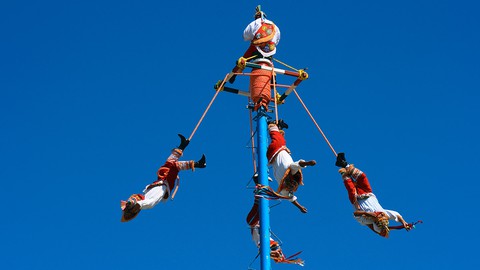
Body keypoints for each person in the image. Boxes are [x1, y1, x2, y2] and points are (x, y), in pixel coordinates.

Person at [120, 134, 206, 222]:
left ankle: (182, 146)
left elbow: (140, 201)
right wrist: (137, 204)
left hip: (161, 181)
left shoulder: (144, 196)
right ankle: (197, 163)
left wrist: (133, 203)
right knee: (173, 166)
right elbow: (147, 203)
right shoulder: (147, 203)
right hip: (166, 184)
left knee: (168, 164)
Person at [335, 153, 412, 237]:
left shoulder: (367, 220)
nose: (381, 214)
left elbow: (356, 213)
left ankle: (343, 169)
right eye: (383, 216)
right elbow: (397, 215)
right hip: (367, 192)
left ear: (376, 221)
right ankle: (345, 164)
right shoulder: (384, 213)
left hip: (356, 199)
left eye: (380, 217)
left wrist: (368, 214)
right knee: (362, 176)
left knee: (349, 185)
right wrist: (404, 223)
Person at [267, 120, 316, 213]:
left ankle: (272, 124)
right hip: (273, 155)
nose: (291, 185)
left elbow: (298, 164)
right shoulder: (287, 180)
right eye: (293, 185)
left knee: (279, 140)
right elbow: (291, 198)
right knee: (280, 139)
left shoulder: (289, 174)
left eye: (291, 186)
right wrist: (300, 207)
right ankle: (278, 127)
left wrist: (309, 163)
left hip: (277, 150)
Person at [246, 196, 304, 266]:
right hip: (261, 233)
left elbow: (263, 249)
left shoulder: (263, 244)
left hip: (259, 232)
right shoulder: (268, 243)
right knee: (251, 221)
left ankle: (257, 202)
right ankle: (258, 202)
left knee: (250, 221)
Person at [229, 5, 281, 84]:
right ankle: (273, 78)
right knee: (269, 61)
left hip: (257, 47)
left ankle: (235, 73)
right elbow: (277, 40)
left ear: (257, 16)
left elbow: (245, 35)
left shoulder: (255, 23)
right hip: (270, 49)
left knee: (244, 58)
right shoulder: (275, 26)